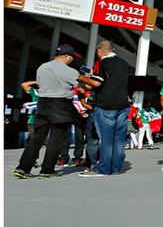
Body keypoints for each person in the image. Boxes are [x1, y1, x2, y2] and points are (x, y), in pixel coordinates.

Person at [14, 45, 101, 179]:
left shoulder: (42, 67)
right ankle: (47, 170)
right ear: (66, 56)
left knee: (37, 138)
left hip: (43, 104)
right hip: (60, 105)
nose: (72, 59)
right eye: (72, 57)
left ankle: (22, 168)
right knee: (56, 138)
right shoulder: (69, 71)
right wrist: (91, 76)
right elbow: (92, 84)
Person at [81, 41, 131, 177]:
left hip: (106, 104)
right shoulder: (124, 63)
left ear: (99, 50)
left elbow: (96, 83)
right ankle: (116, 167)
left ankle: (103, 168)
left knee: (106, 138)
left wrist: (82, 77)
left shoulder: (102, 63)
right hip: (123, 104)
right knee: (119, 139)